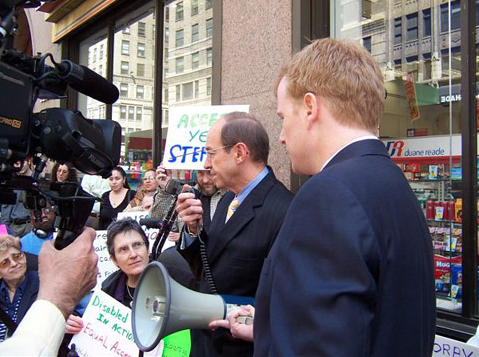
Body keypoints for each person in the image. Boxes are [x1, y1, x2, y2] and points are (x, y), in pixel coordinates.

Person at [223, 38, 435, 356]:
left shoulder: (327, 196)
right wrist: (273, 325)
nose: (280, 137)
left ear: (310, 108)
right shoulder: (394, 183)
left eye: (283, 117)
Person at [175, 111, 293, 357]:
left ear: (239, 153)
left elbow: (284, 303)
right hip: (206, 344)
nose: (206, 164)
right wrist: (192, 231)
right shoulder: (228, 199)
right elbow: (207, 270)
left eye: (211, 153)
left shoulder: (284, 210)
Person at [0, 227, 98, 356]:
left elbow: (66, 311)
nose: (14, 263)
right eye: (5, 263)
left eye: (17, 256)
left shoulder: (45, 281)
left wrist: (61, 322)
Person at [0, 159, 34, 237]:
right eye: (17, 164)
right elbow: (6, 208)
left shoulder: (37, 179)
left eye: (22, 163)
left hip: (31, 225)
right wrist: (4, 229)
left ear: (29, 162)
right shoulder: (11, 181)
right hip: (15, 227)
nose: (20, 166)